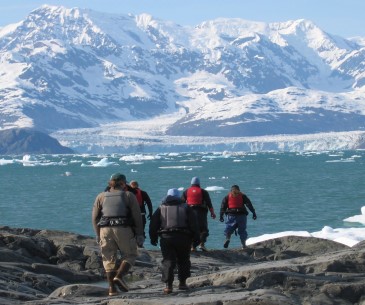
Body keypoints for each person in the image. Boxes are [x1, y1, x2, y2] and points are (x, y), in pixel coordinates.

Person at [92, 173, 144, 296]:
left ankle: (112, 289)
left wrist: (98, 234)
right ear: (122, 183)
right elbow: (137, 216)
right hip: (123, 228)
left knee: (108, 259)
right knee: (130, 254)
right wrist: (139, 234)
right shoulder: (128, 195)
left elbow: (94, 218)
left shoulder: (101, 196)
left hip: (105, 229)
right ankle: (119, 276)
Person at [149, 188, 200, 294]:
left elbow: (153, 224)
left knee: (168, 261)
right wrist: (196, 239)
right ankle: (182, 283)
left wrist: (153, 238)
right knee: (184, 260)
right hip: (183, 237)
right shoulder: (186, 207)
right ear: (179, 196)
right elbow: (194, 224)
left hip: (166, 238)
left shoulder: (161, 208)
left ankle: (168, 286)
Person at [181, 177, 216, 252]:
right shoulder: (203, 192)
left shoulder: (186, 191)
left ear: (191, 183)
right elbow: (209, 203)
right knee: (203, 229)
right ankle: (201, 244)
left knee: (191, 229)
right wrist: (212, 213)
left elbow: (182, 203)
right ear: (199, 184)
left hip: (189, 212)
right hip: (201, 212)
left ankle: (192, 247)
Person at [219, 185, 257, 249]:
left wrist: (221, 216)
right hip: (241, 216)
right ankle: (243, 245)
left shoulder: (227, 197)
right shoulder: (243, 196)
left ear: (231, 190)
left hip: (231, 215)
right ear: (239, 190)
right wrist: (253, 213)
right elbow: (249, 204)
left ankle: (227, 239)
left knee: (229, 229)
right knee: (242, 231)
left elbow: (223, 207)